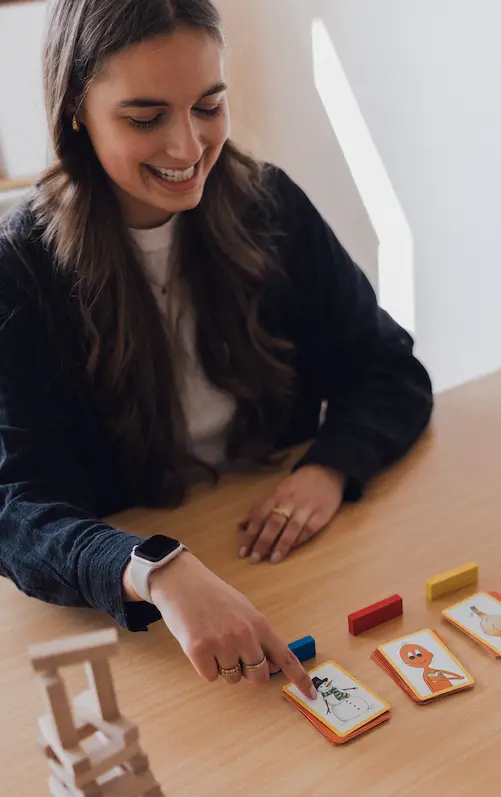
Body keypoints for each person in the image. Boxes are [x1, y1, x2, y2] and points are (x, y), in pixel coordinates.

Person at [0, 0, 432, 696]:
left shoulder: (272, 207)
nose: (188, 147)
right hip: (146, 625)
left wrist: (330, 466)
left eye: (209, 105)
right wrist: (154, 568)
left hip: (292, 560)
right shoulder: (21, 272)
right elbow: (18, 508)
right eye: (145, 118)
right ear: (77, 109)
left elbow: (387, 367)